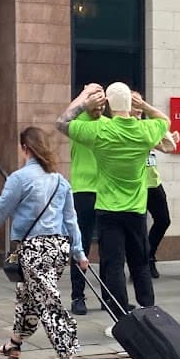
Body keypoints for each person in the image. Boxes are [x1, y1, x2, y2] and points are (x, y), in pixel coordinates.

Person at [0, 126, 88, 359]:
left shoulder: (20, 179)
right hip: (58, 248)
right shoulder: (60, 180)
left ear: (25, 148)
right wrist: (78, 252)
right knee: (28, 295)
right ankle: (15, 343)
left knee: (49, 304)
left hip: (34, 249)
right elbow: (71, 220)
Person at [57, 83, 172, 322]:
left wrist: (82, 102)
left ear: (107, 103)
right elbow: (164, 121)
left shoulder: (101, 130)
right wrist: (145, 106)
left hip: (108, 207)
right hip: (136, 208)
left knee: (114, 265)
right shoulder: (145, 130)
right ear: (132, 105)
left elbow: (62, 123)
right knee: (139, 262)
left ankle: (119, 316)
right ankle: (149, 310)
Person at [67, 85, 104, 315]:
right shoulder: (77, 121)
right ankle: (77, 297)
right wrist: (84, 96)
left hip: (106, 192)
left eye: (103, 103)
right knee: (81, 246)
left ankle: (110, 297)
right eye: (96, 102)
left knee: (110, 247)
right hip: (83, 191)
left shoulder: (107, 124)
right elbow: (66, 115)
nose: (100, 107)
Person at [145, 149, 171, 278]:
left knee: (164, 220)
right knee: (138, 226)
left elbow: (168, 147)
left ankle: (149, 254)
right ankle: (140, 264)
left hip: (154, 183)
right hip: (137, 185)